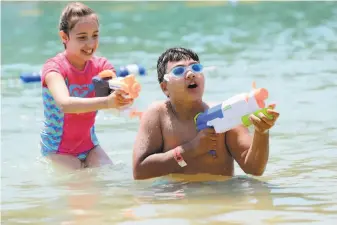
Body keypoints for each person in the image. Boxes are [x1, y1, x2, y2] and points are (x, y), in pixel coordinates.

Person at [132, 47, 280, 181]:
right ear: (165, 88)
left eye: (196, 68)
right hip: (176, 200)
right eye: (179, 71)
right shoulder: (158, 115)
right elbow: (139, 172)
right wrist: (191, 149)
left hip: (220, 200)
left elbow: (254, 169)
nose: (190, 74)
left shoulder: (224, 114)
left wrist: (261, 132)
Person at [40, 2, 132, 170]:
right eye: (82, 37)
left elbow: (114, 90)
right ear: (64, 37)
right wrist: (107, 102)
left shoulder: (101, 66)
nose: (90, 44)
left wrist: (123, 95)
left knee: (113, 181)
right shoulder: (55, 69)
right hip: (57, 150)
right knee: (82, 187)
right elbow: (64, 104)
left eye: (95, 35)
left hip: (90, 147)